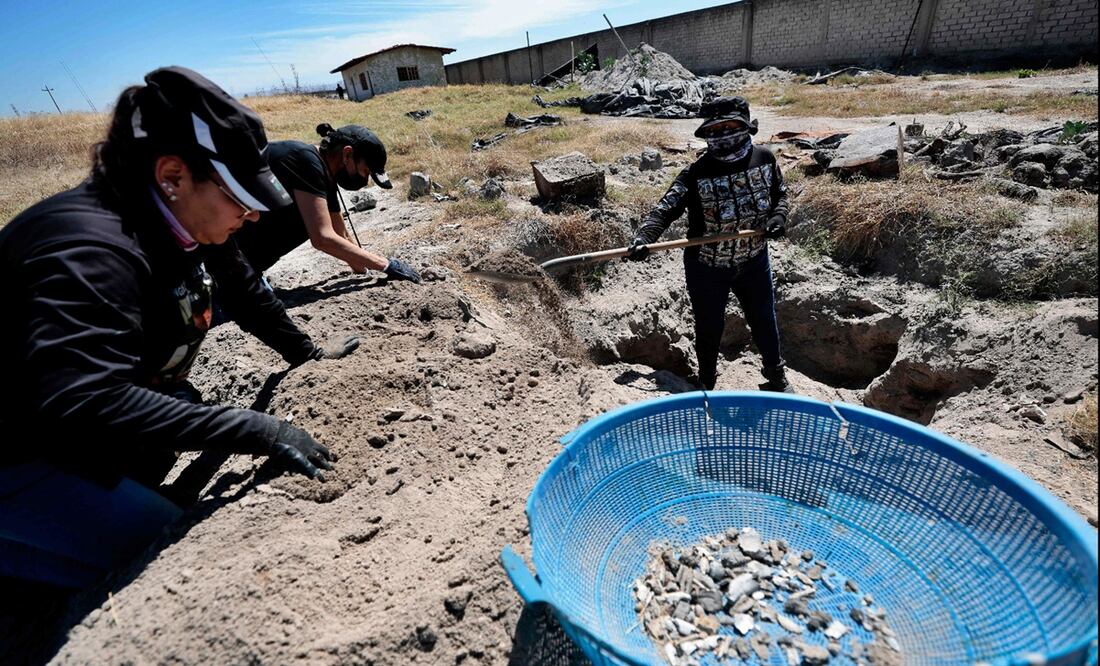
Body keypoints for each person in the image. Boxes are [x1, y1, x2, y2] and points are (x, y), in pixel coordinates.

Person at [0, 67, 357, 588]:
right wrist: (255, 429)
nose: (253, 216)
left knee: (173, 426)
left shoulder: (172, 215)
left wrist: (307, 354)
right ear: (172, 176)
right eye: (240, 198)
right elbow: (88, 398)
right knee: (165, 550)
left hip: (93, 411)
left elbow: (243, 288)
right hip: (23, 450)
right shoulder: (87, 250)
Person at [626, 96, 793, 393]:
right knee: (709, 326)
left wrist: (777, 218)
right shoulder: (695, 173)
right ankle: (706, 381)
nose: (723, 135)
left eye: (730, 127)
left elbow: (780, 195)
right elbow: (665, 210)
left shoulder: (765, 159)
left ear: (745, 127)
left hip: (754, 260)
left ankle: (776, 376)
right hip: (706, 267)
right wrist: (645, 238)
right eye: (715, 129)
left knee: (764, 318)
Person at [229, 123, 421, 284]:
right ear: (347, 155)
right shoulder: (305, 162)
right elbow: (323, 238)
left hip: (242, 267)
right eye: (365, 172)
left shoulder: (323, 174)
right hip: (223, 262)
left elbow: (340, 233)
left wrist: (363, 271)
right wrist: (386, 265)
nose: (364, 181)